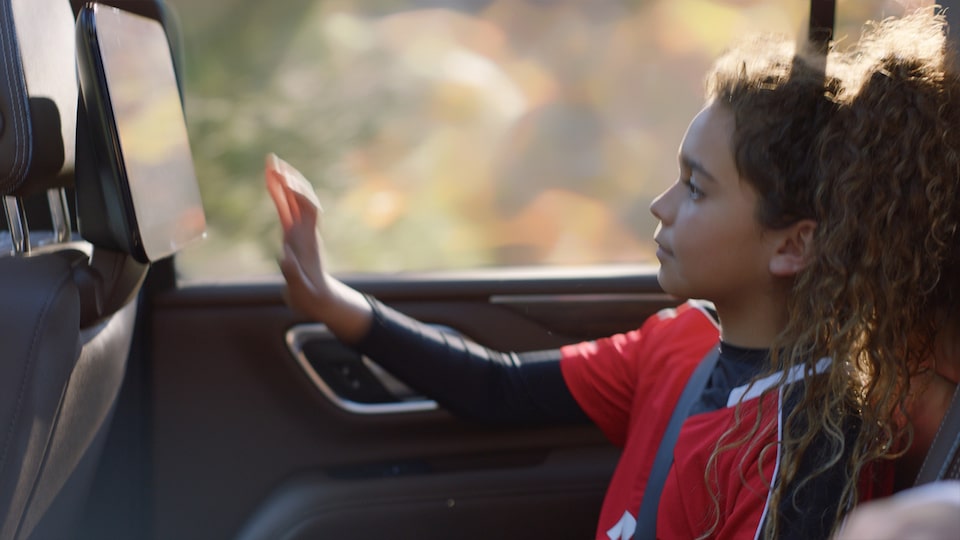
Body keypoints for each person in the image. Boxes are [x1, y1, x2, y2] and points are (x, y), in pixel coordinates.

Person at [266, 8, 960, 540]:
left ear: (794, 246)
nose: (660, 206)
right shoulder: (675, 344)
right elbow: (497, 387)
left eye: (696, 188)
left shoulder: (811, 448)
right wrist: (330, 301)